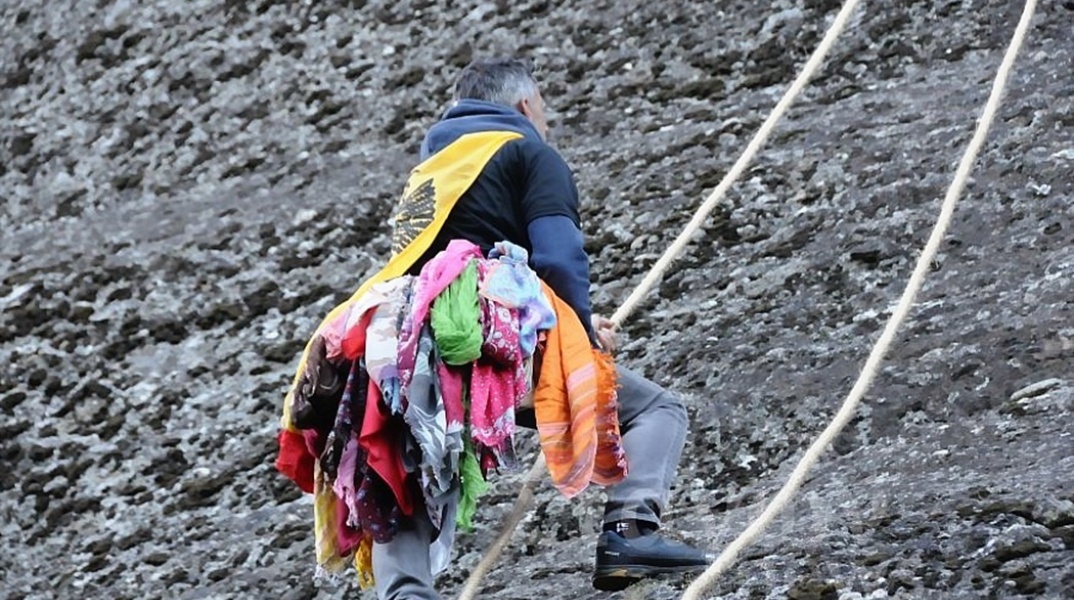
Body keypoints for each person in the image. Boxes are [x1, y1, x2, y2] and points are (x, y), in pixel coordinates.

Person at [371, 57, 711, 599]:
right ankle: (629, 532)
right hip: (489, 341)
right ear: (526, 105)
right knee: (654, 409)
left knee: (413, 454)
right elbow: (558, 257)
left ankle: (406, 593)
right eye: (544, 111)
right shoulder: (527, 152)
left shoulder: (429, 174)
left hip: (402, 342)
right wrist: (580, 334)